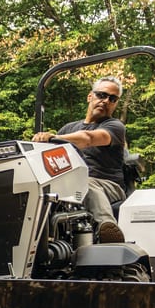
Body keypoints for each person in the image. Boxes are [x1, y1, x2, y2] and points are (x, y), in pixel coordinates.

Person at [32, 76, 128, 243]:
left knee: (83, 182)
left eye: (112, 99)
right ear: (90, 96)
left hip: (107, 185)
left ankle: (108, 229)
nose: (105, 101)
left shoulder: (114, 126)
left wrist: (53, 136)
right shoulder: (69, 128)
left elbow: (88, 138)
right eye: (101, 95)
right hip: (68, 185)